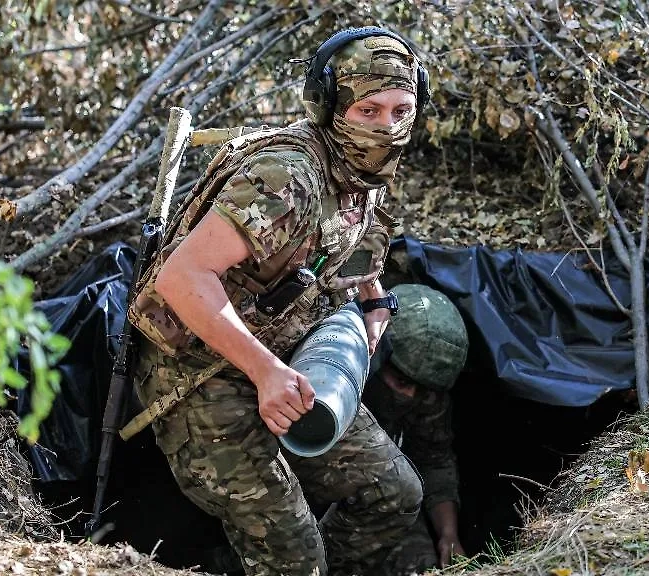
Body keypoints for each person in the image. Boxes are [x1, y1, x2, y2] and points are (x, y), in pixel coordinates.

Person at [128, 27, 432, 576]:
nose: (387, 127)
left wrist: (370, 295)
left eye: (400, 110)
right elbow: (182, 277)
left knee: (396, 495)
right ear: (331, 107)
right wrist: (266, 372)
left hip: (290, 362)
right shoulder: (285, 176)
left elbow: (346, 242)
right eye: (368, 110)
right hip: (202, 380)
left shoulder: (362, 170)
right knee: (295, 556)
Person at [360, 283, 469, 576]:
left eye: (420, 388)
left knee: (420, 567)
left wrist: (448, 535)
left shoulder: (428, 396)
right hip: (310, 493)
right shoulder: (342, 378)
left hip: (387, 499)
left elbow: (434, 459)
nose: (409, 397)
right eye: (402, 382)